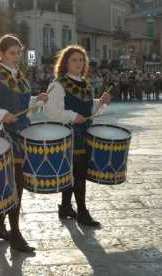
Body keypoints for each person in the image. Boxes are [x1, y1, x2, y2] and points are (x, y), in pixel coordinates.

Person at [0, 34, 47, 252]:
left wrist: (37, 101)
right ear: (1, 54)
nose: (16, 57)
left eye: (19, 53)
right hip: (2, 136)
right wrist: (2, 115)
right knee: (15, 184)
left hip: (21, 135)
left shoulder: (20, 77)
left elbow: (23, 105)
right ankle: (14, 233)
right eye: (12, 53)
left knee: (13, 184)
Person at [43, 45, 111, 228]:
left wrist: (101, 103)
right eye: (74, 59)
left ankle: (65, 207)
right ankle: (82, 212)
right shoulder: (57, 84)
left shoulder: (85, 84)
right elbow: (50, 111)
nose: (78, 63)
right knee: (78, 173)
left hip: (85, 133)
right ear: (65, 62)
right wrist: (72, 116)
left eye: (81, 60)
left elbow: (88, 111)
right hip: (69, 134)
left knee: (74, 172)